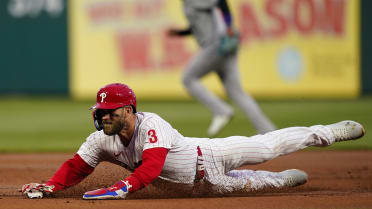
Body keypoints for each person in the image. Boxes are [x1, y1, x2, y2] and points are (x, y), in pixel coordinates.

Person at [21, 83, 366, 200]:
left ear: (128, 110)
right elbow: (75, 167)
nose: (104, 117)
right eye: (102, 112)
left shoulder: (151, 124)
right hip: (196, 188)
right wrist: (51, 186)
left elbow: (152, 165)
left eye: (111, 112)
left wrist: (121, 187)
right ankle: (282, 180)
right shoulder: (100, 141)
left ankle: (327, 132)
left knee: (265, 147)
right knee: (262, 185)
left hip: (211, 154)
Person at [168, 0, 276, 137]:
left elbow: (221, 1)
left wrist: (229, 25)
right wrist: (180, 33)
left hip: (216, 45)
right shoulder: (187, 3)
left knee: (187, 79)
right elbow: (198, 25)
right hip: (222, 46)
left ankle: (221, 110)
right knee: (237, 93)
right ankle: (269, 131)